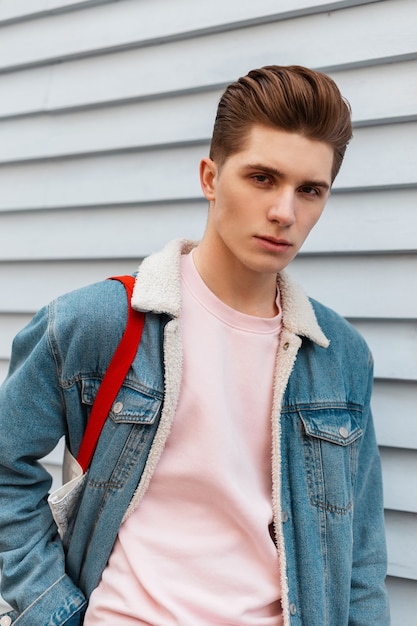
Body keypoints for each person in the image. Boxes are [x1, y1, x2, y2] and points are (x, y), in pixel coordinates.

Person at [0, 65, 390, 626]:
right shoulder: (98, 323)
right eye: (262, 178)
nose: (285, 212)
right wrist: (51, 609)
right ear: (210, 177)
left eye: (309, 190)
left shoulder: (340, 358)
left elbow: (360, 561)